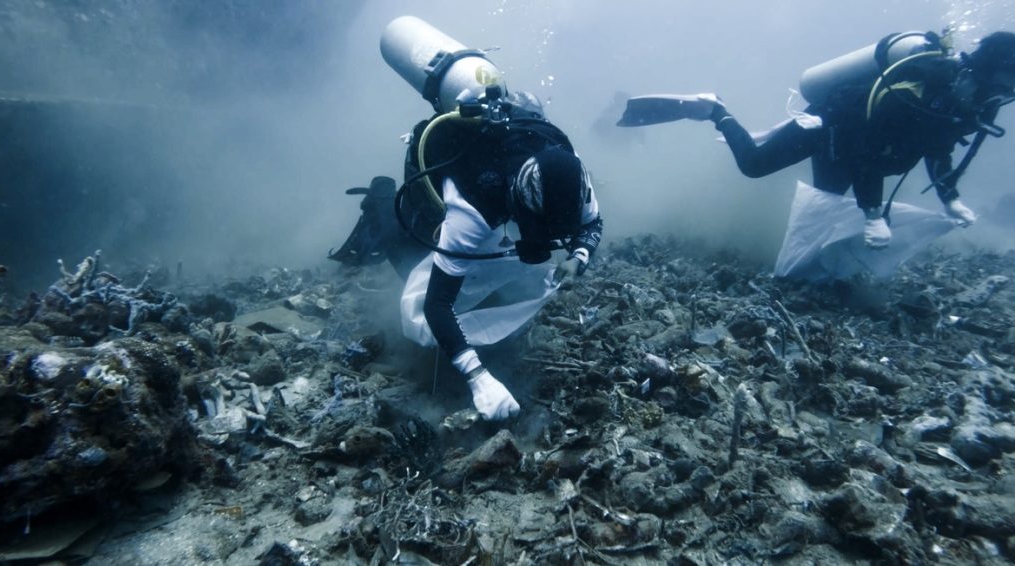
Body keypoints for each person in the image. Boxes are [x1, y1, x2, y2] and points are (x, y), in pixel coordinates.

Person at [619, 31, 1015, 249]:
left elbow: (939, 146)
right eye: (1006, 82)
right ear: (986, 69)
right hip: (827, 123)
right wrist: (874, 215)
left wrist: (951, 198)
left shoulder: (980, 103)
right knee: (755, 165)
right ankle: (715, 109)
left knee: (827, 202)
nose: (1005, 94)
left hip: (851, 147)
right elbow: (869, 149)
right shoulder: (917, 88)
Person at [400, 88, 603, 421]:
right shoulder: (472, 210)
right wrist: (478, 378)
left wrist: (577, 258)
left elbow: (593, 224)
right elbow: (436, 304)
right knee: (412, 252)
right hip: (446, 187)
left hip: (508, 187)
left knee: (496, 256)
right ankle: (376, 213)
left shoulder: (574, 176)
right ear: (520, 207)